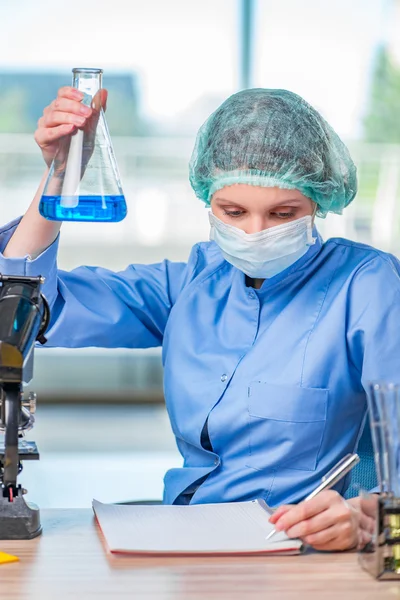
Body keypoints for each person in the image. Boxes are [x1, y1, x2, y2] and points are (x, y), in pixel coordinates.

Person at [0, 87, 395, 552]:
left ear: (319, 201)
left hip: (306, 557)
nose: (255, 233)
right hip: (186, 547)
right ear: (208, 201)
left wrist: (369, 516)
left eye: (283, 214)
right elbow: (23, 305)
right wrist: (60, 174)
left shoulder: (367, 284)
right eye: (233, 212)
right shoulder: (192, 283)